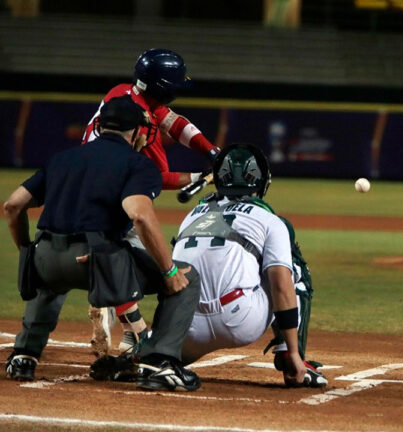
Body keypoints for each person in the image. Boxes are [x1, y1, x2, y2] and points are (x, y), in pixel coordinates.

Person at [4, 96, 203, 392]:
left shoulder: (62, 158)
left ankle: (23, 355)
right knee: (187, 278)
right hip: (98, 264)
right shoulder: (138, 164)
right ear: (137, 132)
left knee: (49, 283)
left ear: (98, 125)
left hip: (46, 260)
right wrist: (170, 272)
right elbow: (141, 217)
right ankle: (158, 362)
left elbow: (12, 206)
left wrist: (26, 251)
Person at [82, 48, 221, 357]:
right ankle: (144, 336)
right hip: (110, 200)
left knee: (115, 254)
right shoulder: (143, 124)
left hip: (83, 189)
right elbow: (157, 177)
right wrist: (203, 174)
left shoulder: (123, 96)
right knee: (161, 267)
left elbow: (174, 122)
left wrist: (211, 151)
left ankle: (129, 328)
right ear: (163, 88)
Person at [173, 143, 326, 387]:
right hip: (240, 321)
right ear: (262, 181)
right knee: (291, 269)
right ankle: (291, 357)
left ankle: (152, 352)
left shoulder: (191, 216)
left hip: (188, 327)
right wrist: (295, 352)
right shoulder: (270, 220)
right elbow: (281, 286)